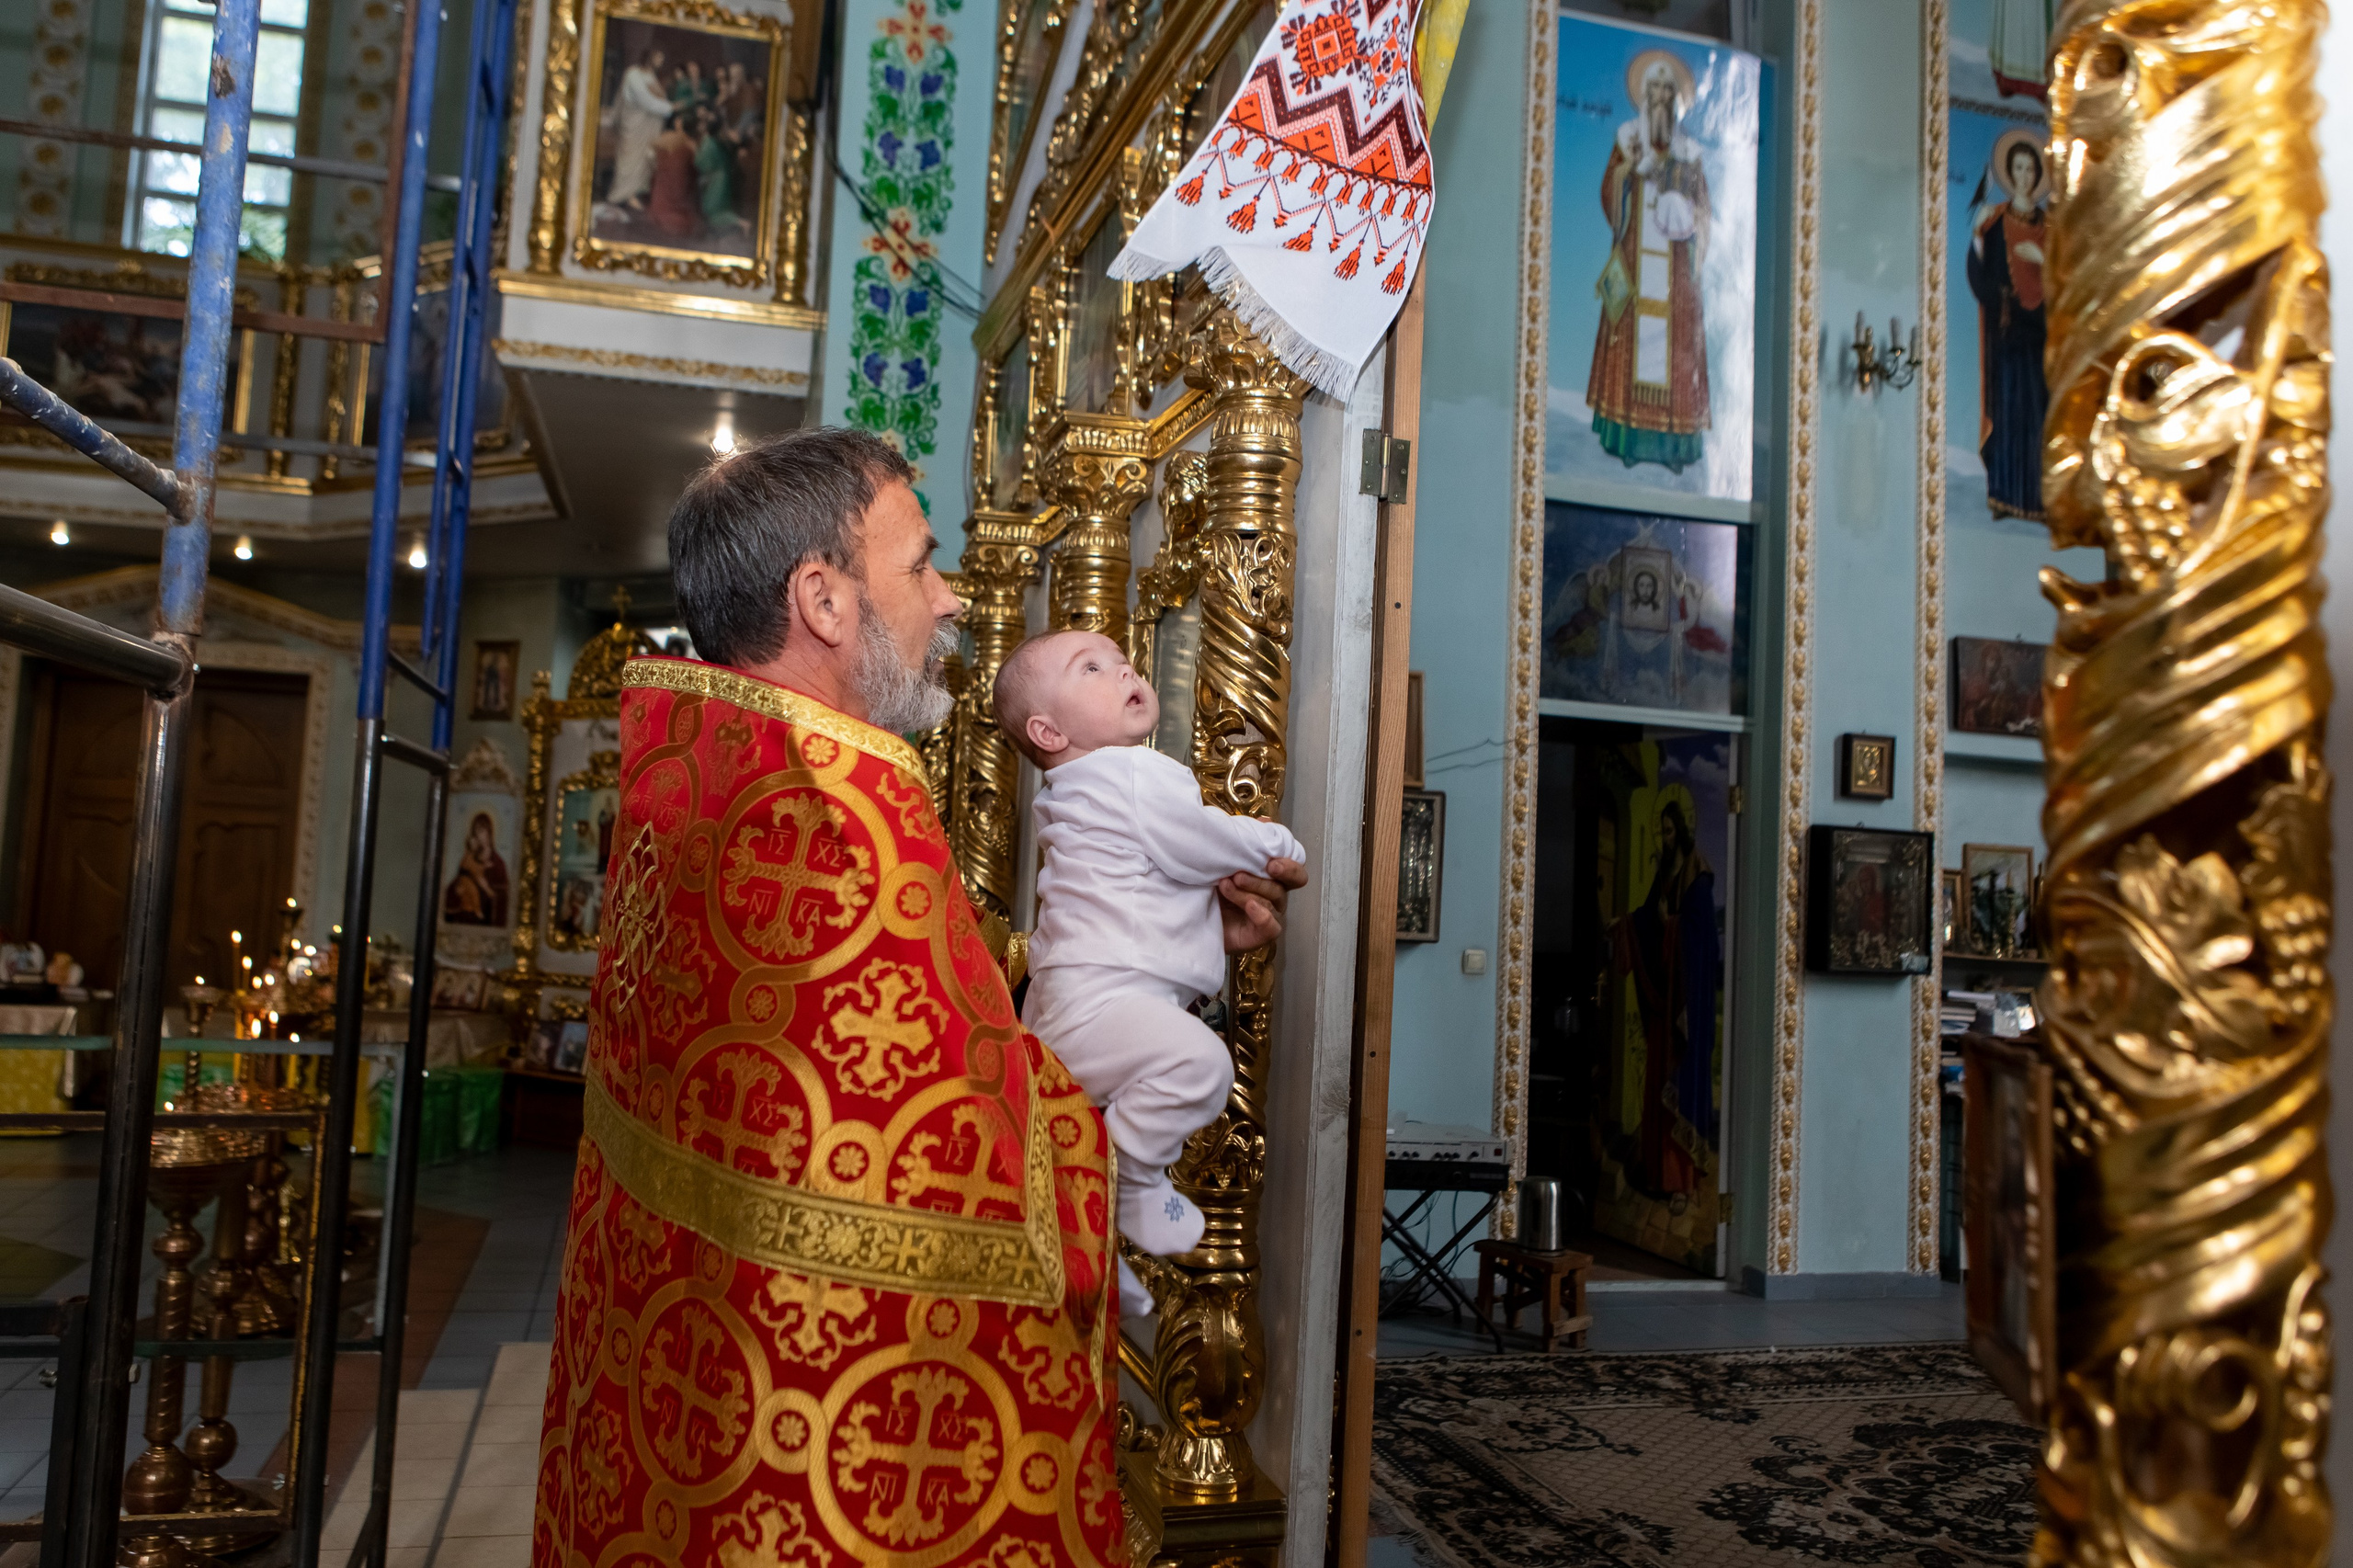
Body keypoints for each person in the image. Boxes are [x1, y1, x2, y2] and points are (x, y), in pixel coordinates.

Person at [532, 427, 1303, 1568]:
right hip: (812, 1449)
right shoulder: (830, 813)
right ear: (825, 599)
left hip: (691, 1381)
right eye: (921, 566)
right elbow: (961, 1161)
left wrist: (1161, 937)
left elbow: (879, 1049)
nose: (950, 603)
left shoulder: (702, 767)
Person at [994, 629, 1308, 1317]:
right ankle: (1130, 1184)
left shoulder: (1074, 790)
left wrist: (1208, 930)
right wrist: (1276, 843)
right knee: (1200, 1064)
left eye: (1122, 659)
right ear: (1048, 730)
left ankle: (1099, 1248)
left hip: (1072, 1002)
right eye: (1093, 668)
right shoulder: (1132, 774)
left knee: (1063, 1147)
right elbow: (1205, 842)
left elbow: (1148, 893)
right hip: (1101, 999)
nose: (1124, 669)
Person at [1586, 51, 1713, 473]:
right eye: (1654, 89)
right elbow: (1610, 191)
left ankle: (1674, 449)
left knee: (1678, 349)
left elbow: (1704, 213)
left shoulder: (1690, 153)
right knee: (1629, 337)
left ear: (1676, 100)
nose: (1660, 97)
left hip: (1674, 269)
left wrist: (1686, 213)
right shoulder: (1627, 140)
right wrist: (1629, 173)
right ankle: (1625, 441)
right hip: (1636, 261)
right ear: (1643, 96)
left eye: (1667, 91)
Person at [1968, 133, 2050, 521]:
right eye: (2017, 167)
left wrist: (2045, 262)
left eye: (2030, 168)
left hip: (2042, 336)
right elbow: (1981, 280)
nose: (2023, 174)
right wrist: (1976, 238)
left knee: (2039, 415)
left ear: (2037, 175)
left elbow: (2069, 286)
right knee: (2008, 413)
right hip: (2007, 334)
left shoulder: (2052, 229)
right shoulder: (1996, 222)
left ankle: (2039, 497)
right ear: (2010, 173)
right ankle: (2004, 494)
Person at [603, 46, 670, 210]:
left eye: (662, 58)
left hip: (647, 129)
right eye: (658, 57)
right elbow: (645, 100)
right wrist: (670, 108)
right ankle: (623, 195)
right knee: (630, 160)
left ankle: (634, 194)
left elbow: (660, 97)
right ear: (650, 56)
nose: (661, 61)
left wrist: (664, 102)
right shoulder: (633, 74)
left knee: (643, 162)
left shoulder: (652, 76)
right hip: (633, 126)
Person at [440, 812, 509, 926]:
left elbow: (504, 897)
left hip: (486, 921)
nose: (478, 836)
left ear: (489, 832)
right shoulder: (469, 857)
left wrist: (487, 888)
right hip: (465, 915)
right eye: (476, 832)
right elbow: (460, 879)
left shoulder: (498, 864)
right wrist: (456, 890)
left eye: (482, 831)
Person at [646, 109, 700, 237]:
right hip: (673, 186)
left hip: (672, 186)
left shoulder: (670, 138)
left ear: (680, 124)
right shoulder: (692, 144)